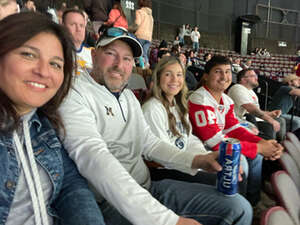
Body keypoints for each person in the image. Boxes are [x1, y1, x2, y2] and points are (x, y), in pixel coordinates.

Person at [59, 27, 253, 225]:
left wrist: (199, 161)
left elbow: (150, 144)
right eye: (111, 54)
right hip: (113, 204)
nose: (119, 65)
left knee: (239, 208)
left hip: (149, 188)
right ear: (94, 54)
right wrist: (168, 220)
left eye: (127, 59)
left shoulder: (127, 96)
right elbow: (95, 159)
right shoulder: (75, 93)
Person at [0, 12, 105, 225]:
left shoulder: (42, 124)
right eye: (29, 55)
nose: (43, 72)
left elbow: (70, 185)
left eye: (55, 64)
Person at [188, 55, 283, 206]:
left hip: (216, 142)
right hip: (199, 146)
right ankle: (236, 205)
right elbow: (214, 142)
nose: (224, 76)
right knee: (241, 160)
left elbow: (234, 129)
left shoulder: (226, 100)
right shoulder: (199, 99)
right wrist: (259, 147)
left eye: (227, 72)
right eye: (218, 71)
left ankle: (252, 202)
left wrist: (263, 143)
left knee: (256, 156)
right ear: (206, 76)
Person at [142, 56, 217, 185]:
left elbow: (189, 139)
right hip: (164, 170)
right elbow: (161, 154)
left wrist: (204, 156)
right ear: (158, 78)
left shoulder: (179, 105)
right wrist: (196, 162)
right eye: (168, 74)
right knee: (218, 181)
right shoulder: (152, 108)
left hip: (183, 162)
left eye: (179, 75)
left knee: (224, 172)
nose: (175, 80)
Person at [228, 69, 283, 140]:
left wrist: (270, 113)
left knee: (281, 120)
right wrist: (270, 119)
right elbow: (251, 109)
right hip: (242, 120)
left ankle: (278, 147)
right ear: (243, 79)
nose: (256, 78)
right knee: (273, 124)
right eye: (253, 76)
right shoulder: (237, 88)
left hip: (253, 119)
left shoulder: (251, 92)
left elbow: (257, 111)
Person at [62, 8, 93, 75]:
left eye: (81, 25)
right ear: (63, 27)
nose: (78, 29)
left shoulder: (93, 54)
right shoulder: (55, 51)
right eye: (73, 24)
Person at [135, 0, 154, 68]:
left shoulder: (140, 12)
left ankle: (138, 66)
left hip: (140, 36)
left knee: (138, 52)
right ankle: (146, 66)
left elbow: (137, 24)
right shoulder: (151, 17)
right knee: (144, 53)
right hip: (148, 38)